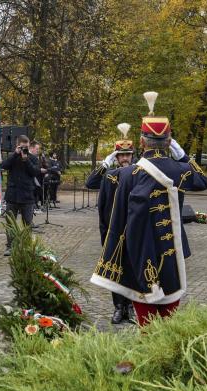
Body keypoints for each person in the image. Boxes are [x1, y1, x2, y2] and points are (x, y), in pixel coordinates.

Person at [90, 91, 207, 326]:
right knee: (170, 316)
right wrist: (184, 155)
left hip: (139, 250)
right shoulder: (180, 170)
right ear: (169, 141)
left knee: (146, 319)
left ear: (142, 142)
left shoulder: (126, 175)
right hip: (171, 251)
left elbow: (116, 217)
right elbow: (203, 181)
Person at [85, 126, 136, 324]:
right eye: (121, 155)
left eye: (128, 155)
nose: (125, 159)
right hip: (112, 231)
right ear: (116, 157)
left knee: (131, 269)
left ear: (133, 156)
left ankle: (131, 306)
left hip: (133, 231)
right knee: (114, 270)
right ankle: (118, 307)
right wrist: (105, 163)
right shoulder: (109, 175)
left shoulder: (138, 173)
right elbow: (90, 183)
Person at [1, 135, 41, 256]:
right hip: (12, 195)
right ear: (17, 146)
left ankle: (26, 246)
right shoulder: (12, 157)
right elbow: (3, 166)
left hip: (27, 196)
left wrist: (26, 159)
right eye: (23, 147)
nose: (25, 150)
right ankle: (10, 246)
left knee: (27, 223)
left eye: (27, 147)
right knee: (10, 222)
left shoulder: (32, 158)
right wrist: (15, 154)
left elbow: (35, 172)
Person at [30, 141, 48, 211]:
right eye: (37, 149)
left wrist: (43, 170)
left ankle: (36, 204)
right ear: (32, 148)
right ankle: (33, 204)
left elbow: (41, 166)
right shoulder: (28, 156)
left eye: (38, 149)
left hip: (39, 177)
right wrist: (40, 170)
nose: (38, 151)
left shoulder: (39, 157)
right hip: (32, 178)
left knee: (37, 191)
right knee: (33, 191)